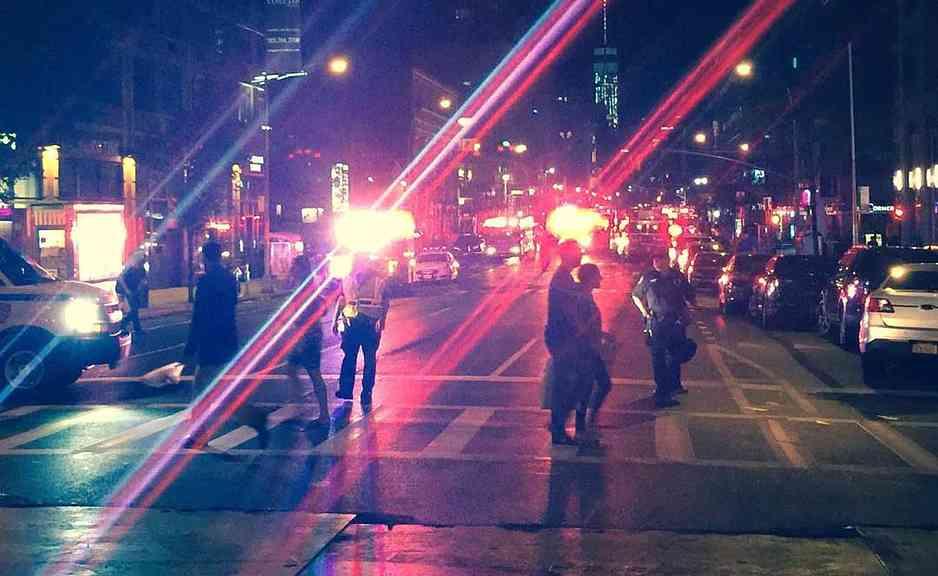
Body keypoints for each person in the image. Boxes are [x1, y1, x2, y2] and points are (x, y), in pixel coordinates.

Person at [183, 242, 268, 447]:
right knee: (219, 392)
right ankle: (252, 419)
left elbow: (199, 315)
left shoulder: (205, 282)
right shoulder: (230, 279)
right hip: (228, 340)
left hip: (210, 342)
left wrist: (190, 347)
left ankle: (201, 434)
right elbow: (231, 306)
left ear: (205, 258)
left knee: (203, 392)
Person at [632, 252, 695, 407]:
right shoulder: (648, 277)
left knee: (675, 355)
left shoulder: (677, 276)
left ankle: (673, 386)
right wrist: (645, 312)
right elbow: (636, 295)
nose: (657, 262)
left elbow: (689, 295)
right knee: (659, 357)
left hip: (675, 321)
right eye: (655, 259)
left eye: (660, 259)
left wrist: (689, 312)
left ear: (667, 260)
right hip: (657, 322)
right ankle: (662, 392)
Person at [333, 257, 391, 405]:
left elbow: (341, 301)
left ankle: (350, 391)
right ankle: (363, 393)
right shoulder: (377, 280)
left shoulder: (350, 279)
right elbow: (385, 302)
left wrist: (336, 321)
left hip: (359, 324)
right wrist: (382, 320)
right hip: (362, 324)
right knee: (364, 359)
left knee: (354, 358)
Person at [544, 239, 585, 445]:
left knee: (568, 382)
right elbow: (570, 310)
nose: (581, 255)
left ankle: (558, 424)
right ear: (568, 255)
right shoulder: (562, 279)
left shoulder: (565, 277)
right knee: (566, 384)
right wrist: (581, 330)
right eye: (577, 252)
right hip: (562, 338)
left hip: (562, 337)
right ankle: (558, 427)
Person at [286, 260, 331, 428]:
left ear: (300, 269)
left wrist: (302, 335)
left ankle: (324, 414)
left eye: (294, 267)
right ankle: (300, 408)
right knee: (292, 370)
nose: (291, 269)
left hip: (307, 336)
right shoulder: (306, 287)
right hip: (306, 335)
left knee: (314, 373)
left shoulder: (305, 289)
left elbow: (312, 312)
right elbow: (323, 308)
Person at [572, 263, 613, 440]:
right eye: (597, 276)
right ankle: (582, 426)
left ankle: (587, 421)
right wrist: (595, 337)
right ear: (590, 278)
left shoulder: (585, 296)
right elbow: (580, 326)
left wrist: (602, 335)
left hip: (590, 349)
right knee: (591, 386)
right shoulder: (582, 299)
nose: (601, 279)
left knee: (596, 385)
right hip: (585, 351)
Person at [117, 253, 148, 334]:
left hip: (133, 289)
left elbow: (143, 280)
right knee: (133, 309)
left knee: (135, 309)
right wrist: (126, 290)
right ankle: (125, 324)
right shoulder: (130, 268)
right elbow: (120, 279)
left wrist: (139, 288)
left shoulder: (142, 269)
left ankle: (132, 327)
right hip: (124, 289)